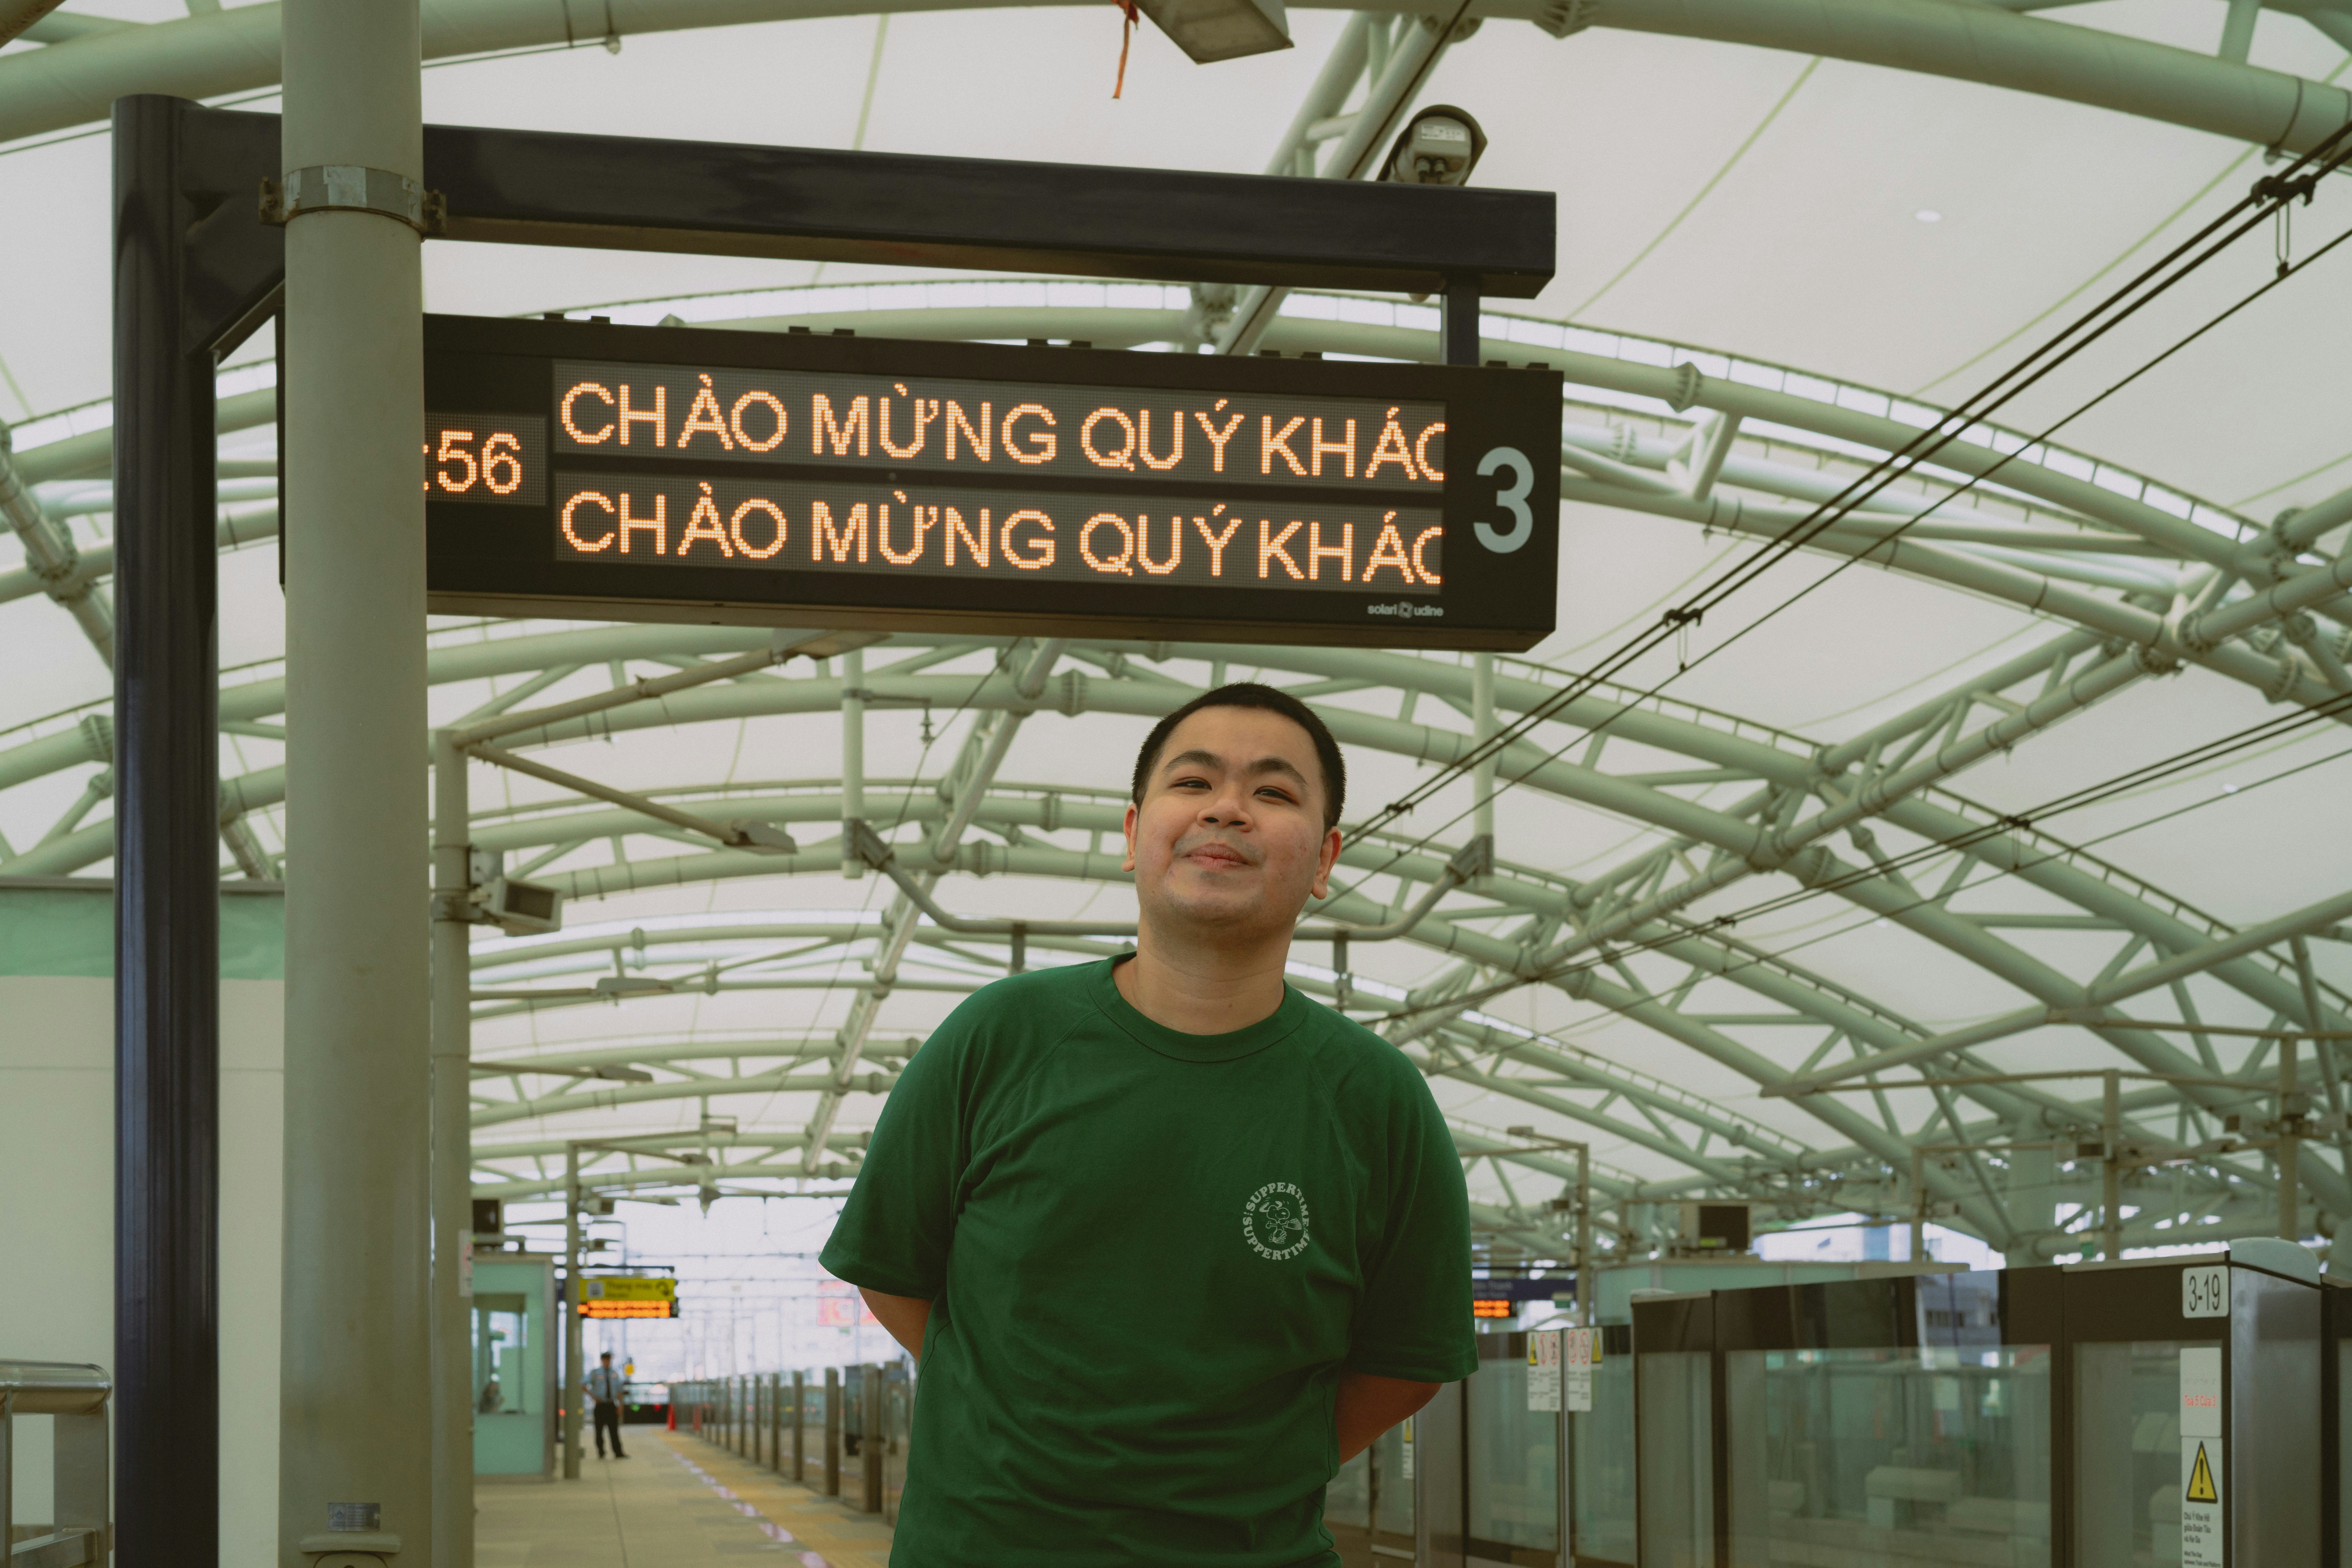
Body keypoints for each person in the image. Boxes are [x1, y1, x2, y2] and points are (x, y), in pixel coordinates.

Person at [821, 682, 1475, 1566]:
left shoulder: (1378, 1098)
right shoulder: (1000, 1037)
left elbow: (1407, 1361)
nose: (1227, 808)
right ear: (1134, 835)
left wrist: (1257, 1466)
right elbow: (892, 1271)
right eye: (1193, 781)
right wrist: (1010, 1416)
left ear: (1325, 859)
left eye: (1273, 792)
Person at [586, 1350, 628, 1460]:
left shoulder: (614, 1374)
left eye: (609, 1360)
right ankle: (601, 1451)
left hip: (611, 1405)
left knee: (614, 1430)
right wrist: (593, 1397)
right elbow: (583, 1384)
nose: (607, 1362)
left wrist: (620, 1405)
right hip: (600, 1405)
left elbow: (619, 1391)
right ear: (602, 1360)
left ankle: (618, 1452)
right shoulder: (595, 1373)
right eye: (606, 1360)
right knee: (599, 1430)